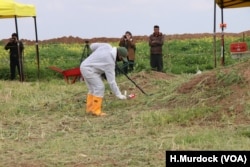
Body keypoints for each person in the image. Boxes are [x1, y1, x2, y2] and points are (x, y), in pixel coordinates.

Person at [80, 43, 128, 116]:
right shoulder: (110, 63)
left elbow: (92, 46)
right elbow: (111, 82)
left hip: (84, 65)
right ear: (118, 55)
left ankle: (89, 109)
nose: (121, 60)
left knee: (92, 89)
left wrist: (97, 56)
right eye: (121, 58)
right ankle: (96, 111)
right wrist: (119, 95)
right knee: (99, 87)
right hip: (89, 70)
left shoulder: (107, 46)